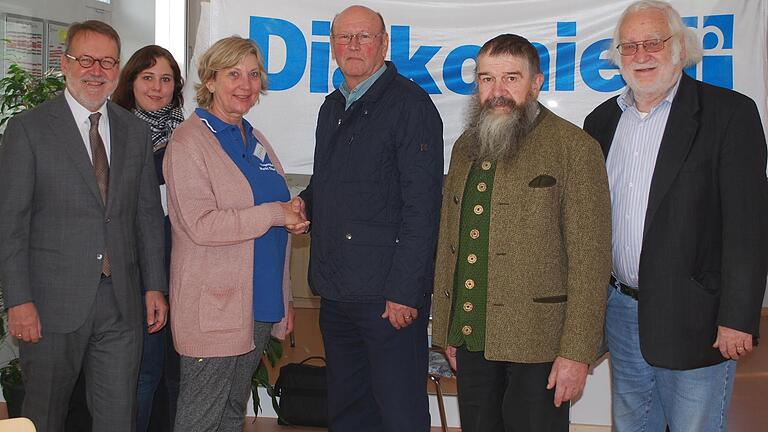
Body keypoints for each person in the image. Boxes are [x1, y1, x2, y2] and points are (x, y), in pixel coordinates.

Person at [583, 1, 768, 430]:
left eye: (653, 42)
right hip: (622, 312)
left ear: (681, 49)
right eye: (629, 46)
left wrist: (737, 318)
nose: (641, 55)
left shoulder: (729, 115)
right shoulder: (602, 121)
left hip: (698, 320)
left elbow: (749, 228)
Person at [430, 34, 611, 432]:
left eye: (511, 78)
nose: (498, 91)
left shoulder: (574, 148)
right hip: (472, 335)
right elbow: (450, 244)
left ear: (536, 83)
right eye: (486, 78)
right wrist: (447, 329)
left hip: (541, 343)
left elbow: (591, 260)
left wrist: (577, 352)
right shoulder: (465, 148)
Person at [0, 20, 168, 431]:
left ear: (116, 69)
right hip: (49, 306)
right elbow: (10, 223)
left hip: (121, 303)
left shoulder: (134, 132)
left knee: (117, 419)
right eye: (86, 59)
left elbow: (146, 215)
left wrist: (153, 286)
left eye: (108, 62)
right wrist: (18, 300)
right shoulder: (29, 129)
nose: (97, 71)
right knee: (46, 417)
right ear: (65, 62)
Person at [288, 5, 443, 431]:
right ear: (332, 47)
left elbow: (423, 206)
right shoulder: (332, 106)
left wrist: (406, 292)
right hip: (336, 290)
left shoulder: (411, 105)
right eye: (344, 37)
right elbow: (329, 182)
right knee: (348, 409)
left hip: (387, 298)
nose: (353, 45)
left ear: (383, 44)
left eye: (364, 36)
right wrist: (304, 205)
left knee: (399, 412)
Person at [163, 36, 302, 432]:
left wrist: (284, 297)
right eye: (233, 74)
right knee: (200, 418)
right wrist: (276, 213)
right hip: (213, 309)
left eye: (254, 75)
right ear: (210, 81)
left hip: (257, 306)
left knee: (229, 414)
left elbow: (276, 220)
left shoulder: (254, 138)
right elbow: (201, 224)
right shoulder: (189, 142)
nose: (245, 84)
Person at [113, 44, 184, 432]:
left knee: (177, 373)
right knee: (144, 372)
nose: (157, 87)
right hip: (136, 271)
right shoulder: (111, 132)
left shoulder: (190, 134)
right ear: (131, 81)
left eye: (166, 79)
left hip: (184, 268)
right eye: (147, 77)